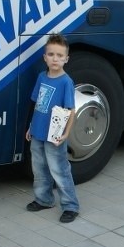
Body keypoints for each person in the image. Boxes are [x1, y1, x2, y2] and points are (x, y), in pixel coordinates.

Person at [24, 33, 80, 223]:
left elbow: (71, 110)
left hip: (55, 135)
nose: (55, 59)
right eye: (51, 54)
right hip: (38, 132)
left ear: (66, 59)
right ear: (45, 57)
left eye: (59, 55)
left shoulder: (66, 82)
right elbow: (37, 103)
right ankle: (44, 199)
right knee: (39, 168)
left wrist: (66, 133)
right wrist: (31, 126)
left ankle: (71, 205)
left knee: (59, 169)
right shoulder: (42, 77)